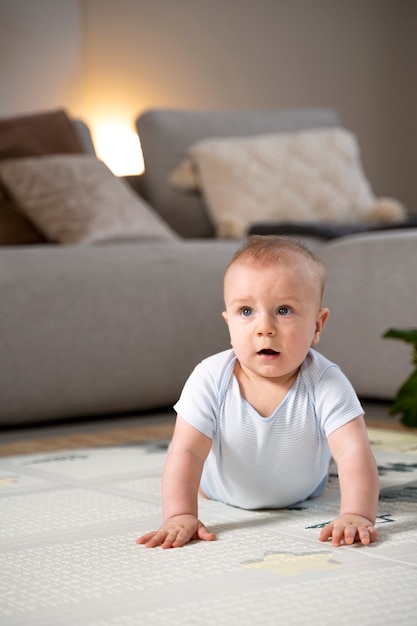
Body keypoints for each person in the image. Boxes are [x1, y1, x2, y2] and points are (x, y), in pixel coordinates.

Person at [137, 235, 379, 550]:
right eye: (247, 312)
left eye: (284, 310)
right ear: (229, 323)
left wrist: (356, 513)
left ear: (317, 325)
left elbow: (353, 451)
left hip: (305, 489)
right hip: (218, 488)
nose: (264, 327)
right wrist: (179, 514)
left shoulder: (326, 381)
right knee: (189, 463)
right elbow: (187, 451)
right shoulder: (210, 378)